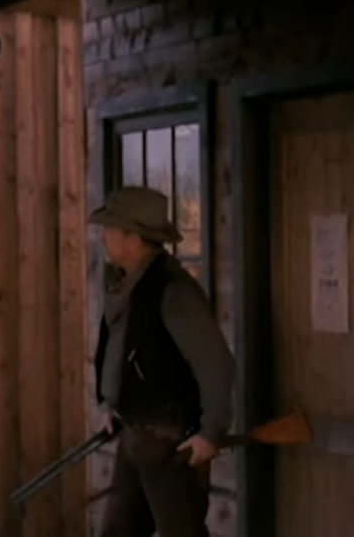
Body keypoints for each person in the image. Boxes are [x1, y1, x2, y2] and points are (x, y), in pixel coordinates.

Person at [89, 186, 236, 537]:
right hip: (137, 435)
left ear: (135, 239)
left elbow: (217, 364)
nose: (103, 236)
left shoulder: (174, 292)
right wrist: (111, 404)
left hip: (171, 441)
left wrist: (211, 433)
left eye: (111, 229)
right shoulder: (128, 288)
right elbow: (120, 351)